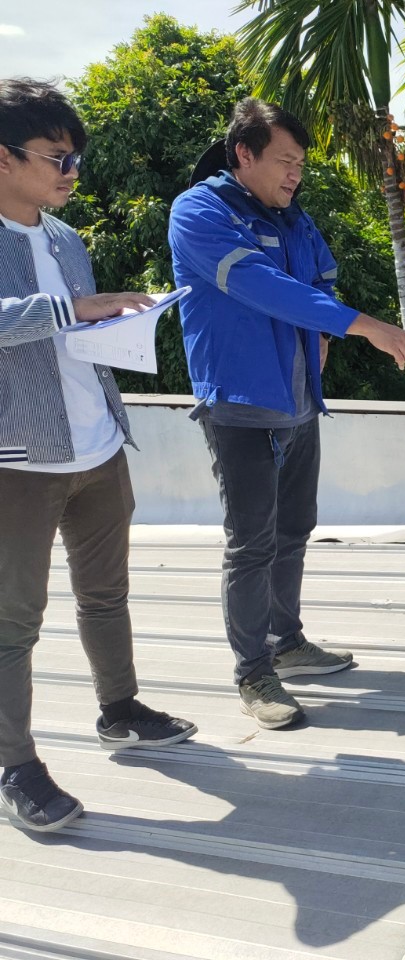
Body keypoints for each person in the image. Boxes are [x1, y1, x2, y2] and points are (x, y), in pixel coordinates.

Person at [168, 98, 405, 729]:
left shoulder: (295, 219)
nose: (295, 174)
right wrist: (363, 326)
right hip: (239, 407)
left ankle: (286, 643)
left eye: (301, 165)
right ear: (243, 154)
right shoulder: (200, 212)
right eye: (285, 161)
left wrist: (326, 329)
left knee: (294, 528)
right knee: (251, 543)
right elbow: (263, 286)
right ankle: (253, 672)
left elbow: (322, 275)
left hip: (299, 404)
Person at [0, 79, 196, 832]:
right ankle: (16, 766)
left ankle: (121, 710)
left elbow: (76, 332)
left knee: (106, 595)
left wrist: (123, 319)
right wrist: (74, 307)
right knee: (12, 624)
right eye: (59, 158)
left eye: (77, 158)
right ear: (5, 157)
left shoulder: (65, 238)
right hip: (19, 462)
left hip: (100, 446)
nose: (73, 172)